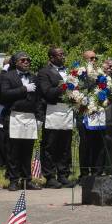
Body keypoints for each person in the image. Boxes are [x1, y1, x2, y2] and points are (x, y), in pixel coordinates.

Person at [0, 52, 41, 191]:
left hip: (30, 117)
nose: (26, 62)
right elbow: (4, 95)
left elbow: (39, 99)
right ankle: (13, 180)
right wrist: (24, 89)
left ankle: (27, 179)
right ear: (16, 62)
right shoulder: (8, 77)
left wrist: (40, 117)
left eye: (28, 60)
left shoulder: (34, 77)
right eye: (23, 60)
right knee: (13, 151)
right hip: (13, 116)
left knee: (27, 151)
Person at [37, 47, 74, 189]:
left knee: (65, 146)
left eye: (63, 54)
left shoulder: (70, 71)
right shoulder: (44, 72)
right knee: (50, 146)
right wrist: (64, 87)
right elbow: (47, 92)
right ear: (52, 58)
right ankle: (50, 176)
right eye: (60, 54)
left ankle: (63, 174)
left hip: (67, 110)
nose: (63, 56)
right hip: (53, 110)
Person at [0, 58, 12, 183]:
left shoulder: (14, 75)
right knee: (1, 135)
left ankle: (10, 161)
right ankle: (2, 161)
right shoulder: (1, 75)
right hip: (2, 108)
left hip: (13, 108)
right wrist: (3, 70)